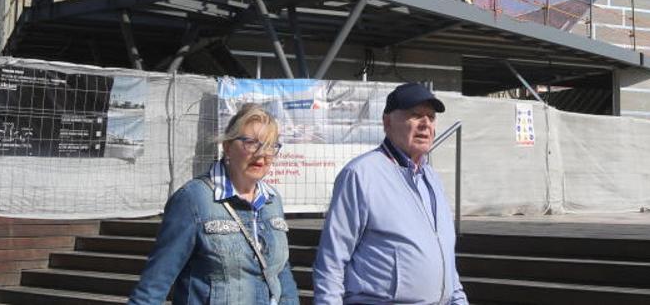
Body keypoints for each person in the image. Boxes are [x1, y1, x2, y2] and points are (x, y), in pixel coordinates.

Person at [313, 82, 467, 304]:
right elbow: (331, 263)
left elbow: (447, 263)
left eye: (431, 117)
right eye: (415, 115)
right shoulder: (360, 175)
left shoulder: (432, 179)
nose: (425, 124)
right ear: (387, 122)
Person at [129, 104, 298, 305]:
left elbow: (280, 273)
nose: (262, 154)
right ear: (227, 146)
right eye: (251, 142)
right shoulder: (194, 199)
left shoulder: (272, 200)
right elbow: (153, 286)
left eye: (270, 145)